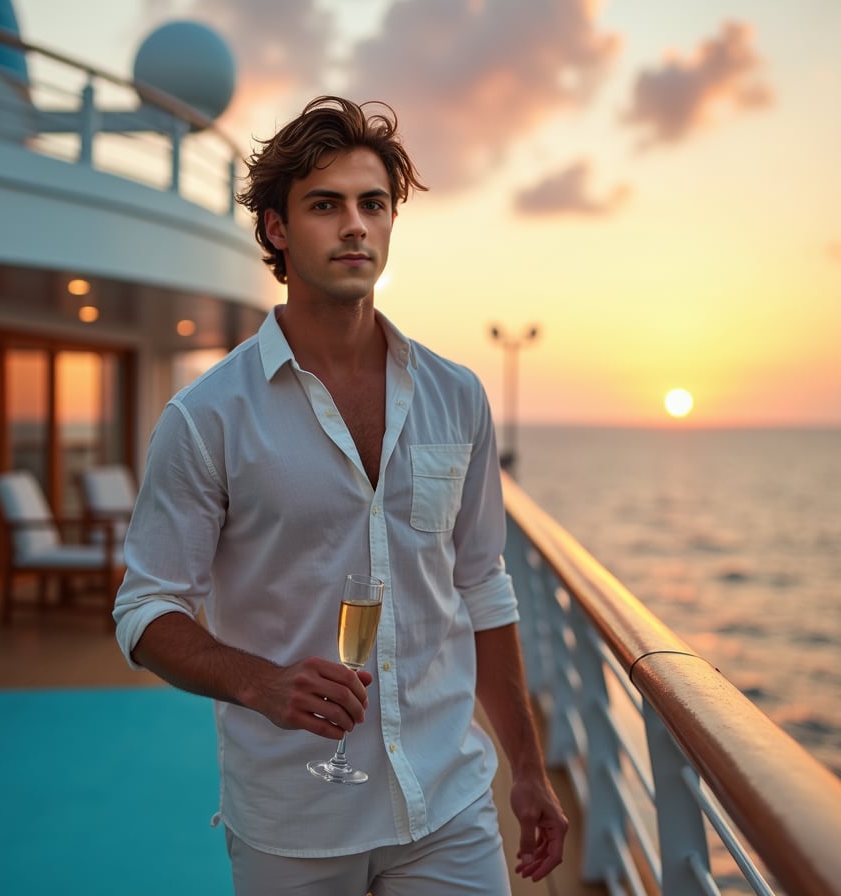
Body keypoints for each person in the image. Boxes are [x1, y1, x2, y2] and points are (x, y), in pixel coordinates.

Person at [113, 95, 568, 895]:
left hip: (447, 801)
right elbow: (146, 610)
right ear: (279, 231)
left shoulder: (457, 396)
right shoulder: (207, 417)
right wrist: (262, 682)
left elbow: (481, 588)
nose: (355, 225)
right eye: (325, 205)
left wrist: (527, 770)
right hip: (293, 818)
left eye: (373, 204)